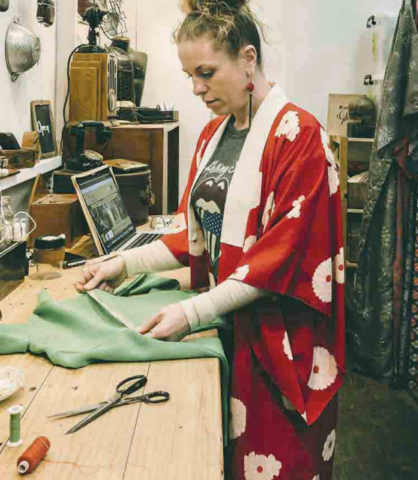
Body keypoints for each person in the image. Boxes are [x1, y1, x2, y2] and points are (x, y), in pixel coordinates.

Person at [74, 0, 346, 478]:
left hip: (276, 342)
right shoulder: (213, 135)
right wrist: (123, 263)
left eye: (206, 73)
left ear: (247, 59)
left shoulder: (300, 138)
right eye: (190, 76)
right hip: (227, 327)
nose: (197, 88)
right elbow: (193, 234)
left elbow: (278, 259)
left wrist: (191, 313)